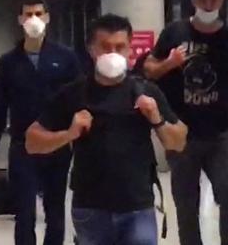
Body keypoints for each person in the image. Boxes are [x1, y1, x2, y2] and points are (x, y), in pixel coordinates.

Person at [25, 14, 188, 245]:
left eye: (120, 47)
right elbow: (32, 141)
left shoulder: (145, 91)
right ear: (91, 50)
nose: (112, 53)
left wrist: (157, 119)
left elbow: (179, 142)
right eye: (105, 47)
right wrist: (69, 134)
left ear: (130, 50)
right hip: (90, 208)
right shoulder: (74, 93)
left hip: (137, 207)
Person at [144, 0, 228, 245]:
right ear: (193, 0)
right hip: (182, 133)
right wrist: (170, 63)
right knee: (186, 203)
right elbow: (148, 70)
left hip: (220, 133)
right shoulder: (175, 33)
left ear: (222, 0)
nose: (208, 4)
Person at [0, 0, 81, 245]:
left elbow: (79, 102)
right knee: (24, 214)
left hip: (57, 144)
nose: (33, 19)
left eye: (38, 13)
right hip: (22, 147)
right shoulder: (8, 62)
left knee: (55, 211)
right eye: (28, 14)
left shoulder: (65, 58)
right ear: (19, 19)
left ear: (47, 17)